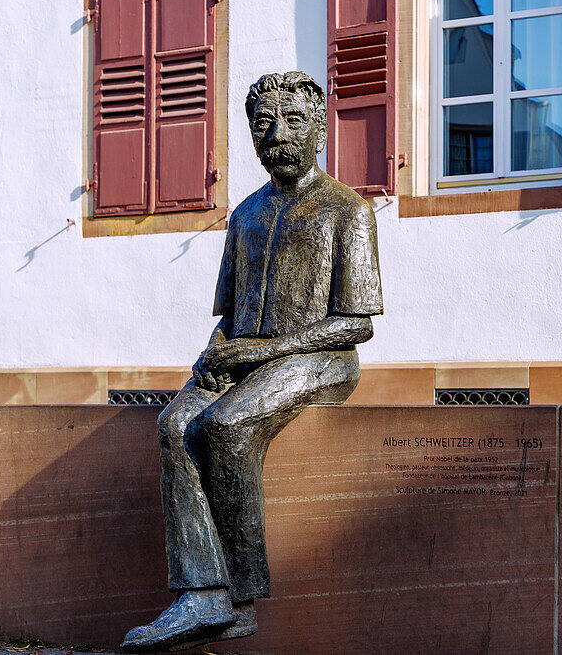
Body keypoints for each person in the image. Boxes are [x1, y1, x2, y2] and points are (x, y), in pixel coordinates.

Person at [121, 71, 383, 652]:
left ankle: (239, 598)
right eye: (263, 124)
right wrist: (209, 359)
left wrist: (260, 351)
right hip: (244, 357)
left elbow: (356, 324)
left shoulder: (348, 211)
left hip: (323, 357)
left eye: (291, 122)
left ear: (318, 132)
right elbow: (230, 316)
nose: (276, 135)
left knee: (226, 425)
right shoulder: (244, 216)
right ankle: (202, 593)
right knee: (173, 424)